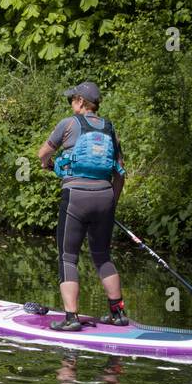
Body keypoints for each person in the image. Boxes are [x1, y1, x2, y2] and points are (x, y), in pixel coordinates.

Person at [37, 81, 128, 330]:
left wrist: (48, 164)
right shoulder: (110, 129)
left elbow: (42, 153)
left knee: (68, 257)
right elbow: (120, 173)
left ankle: (71, 318)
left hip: (75, 197)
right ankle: (118, 313)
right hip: (104, 197)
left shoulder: (68, 124)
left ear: (80, 102)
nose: (70, 104)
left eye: (72, 100)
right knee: (102, 255)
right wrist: (112, 202)